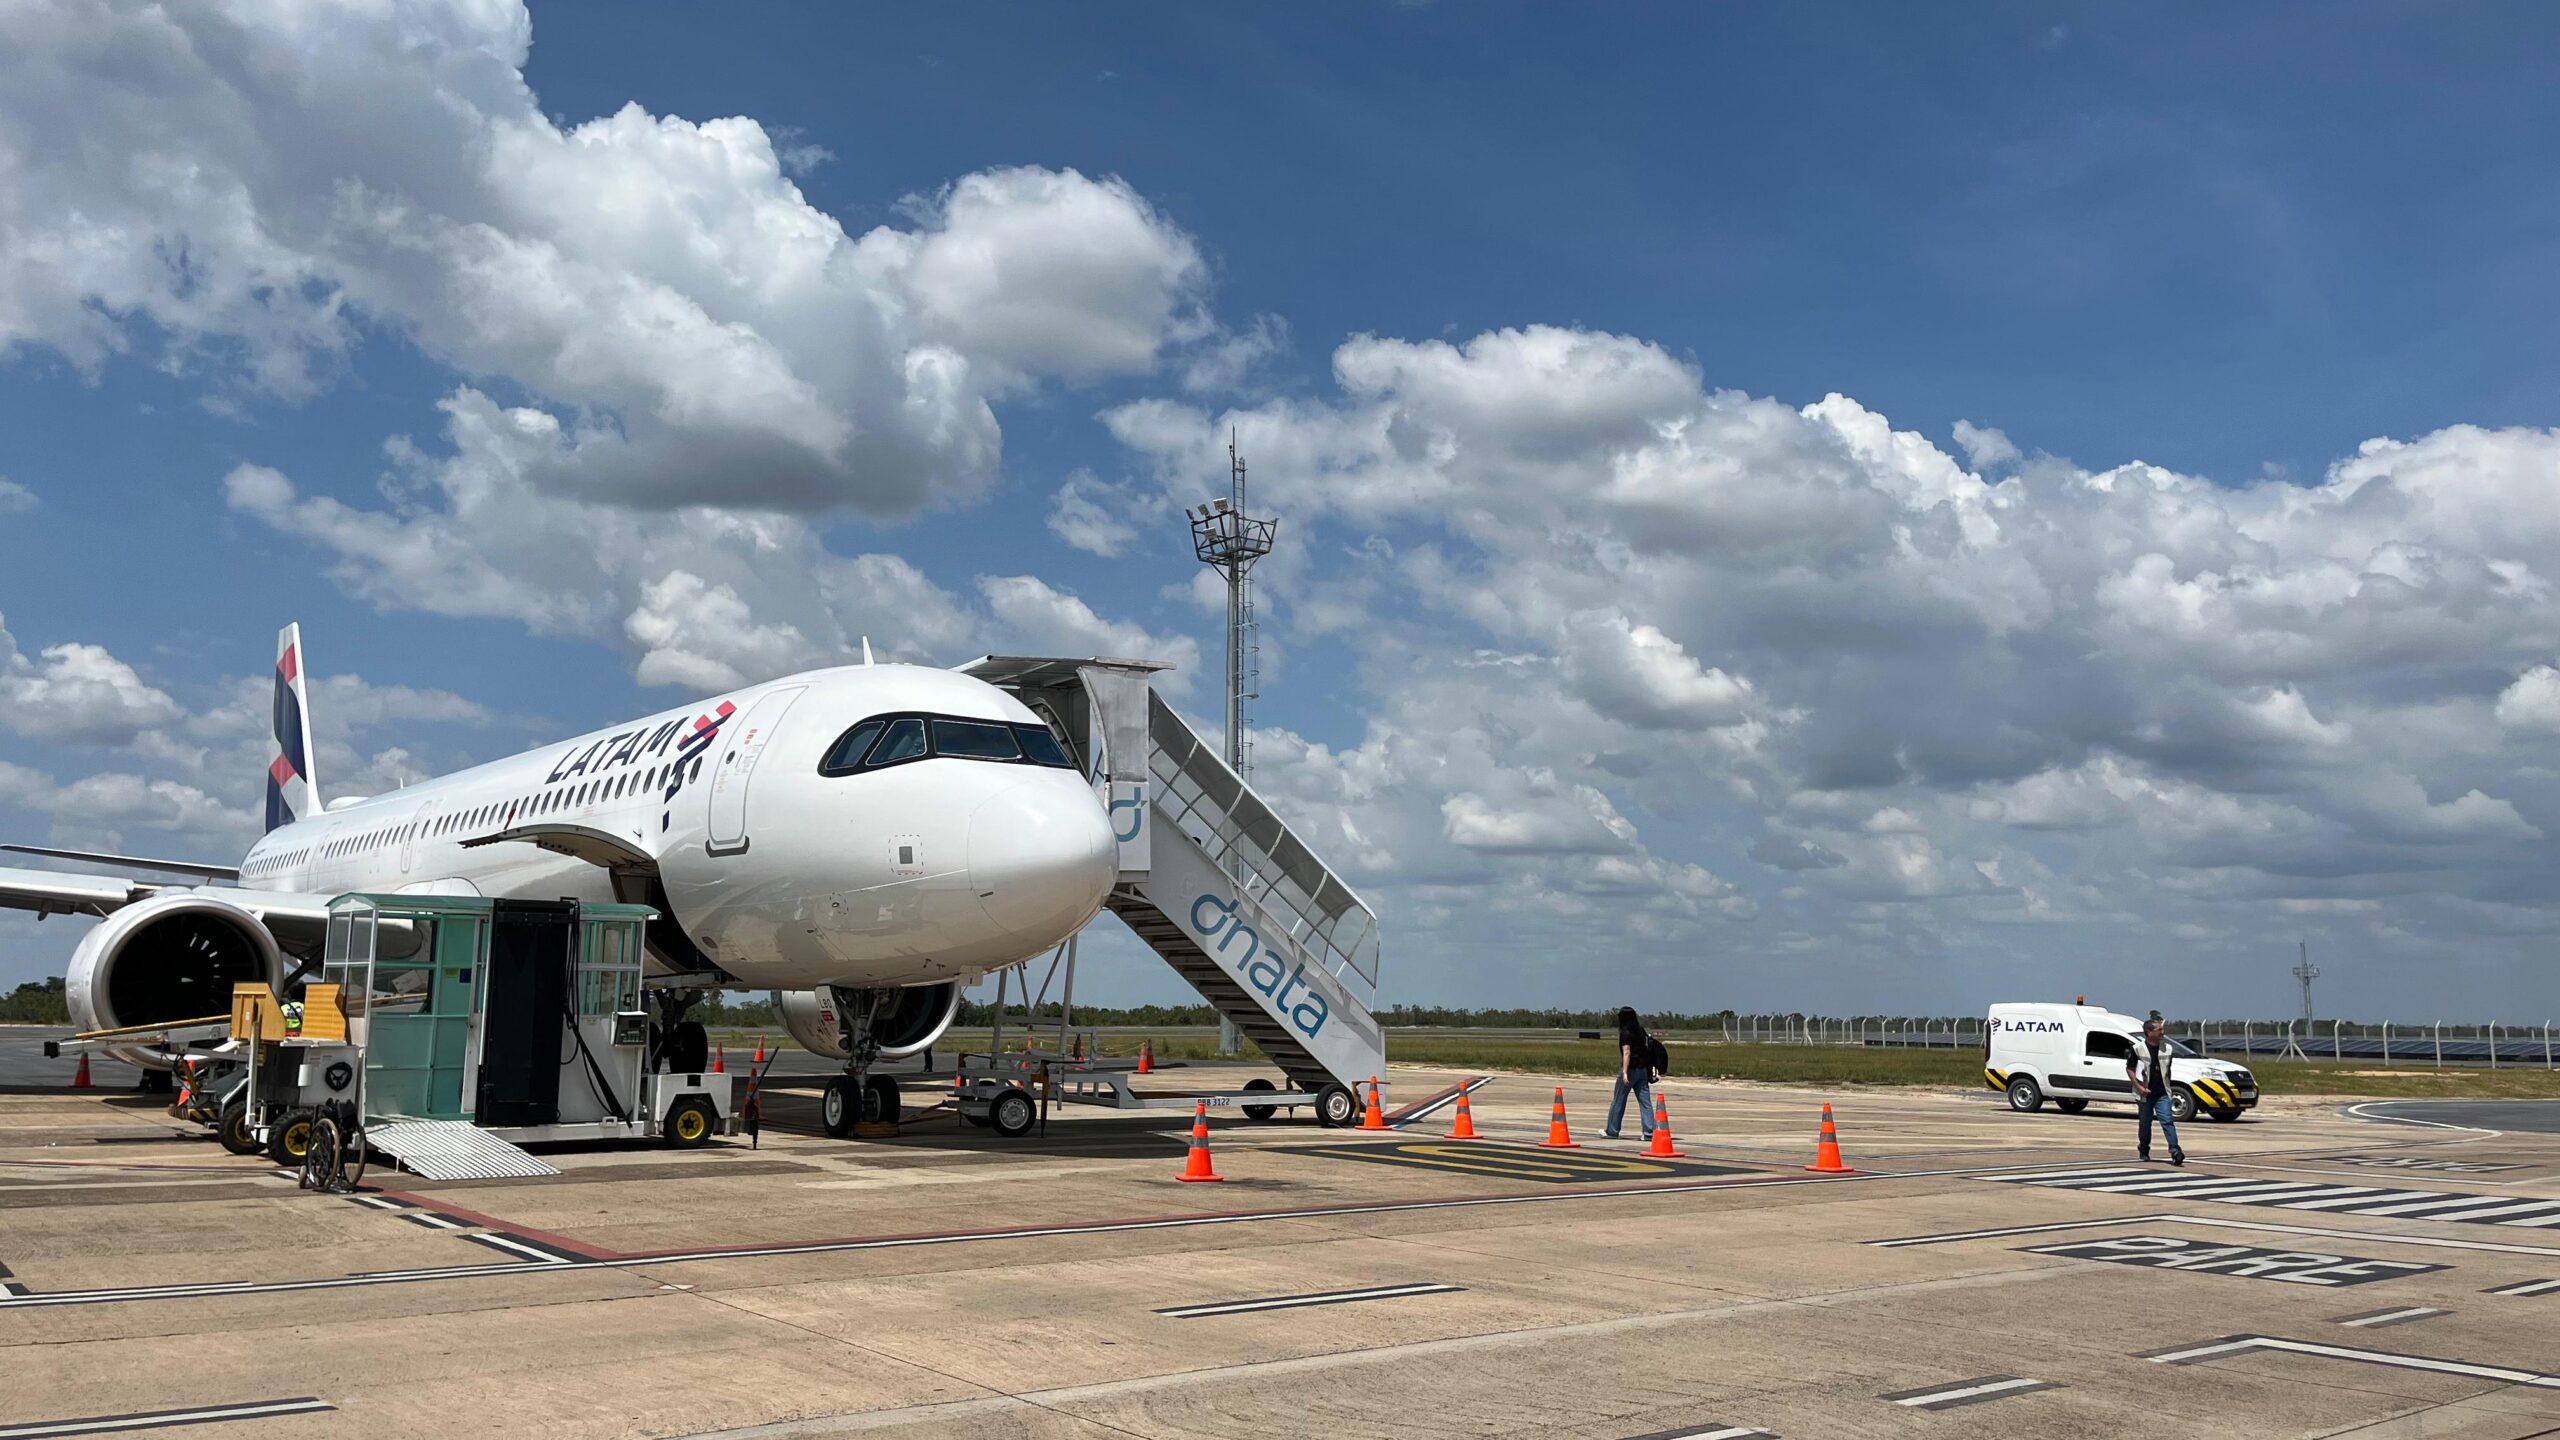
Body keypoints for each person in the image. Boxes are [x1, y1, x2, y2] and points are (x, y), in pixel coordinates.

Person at [2128, 1011, 2185, 1166]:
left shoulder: (2168, 1049)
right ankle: (2144, 1150)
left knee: (2167, 1121)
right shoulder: (2137, 1049)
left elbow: (2168, 1071)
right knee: (2145, 1124)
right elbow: (2130, 1069)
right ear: (2149, 1032)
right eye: (2159, 1030)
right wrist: (2139, 1087)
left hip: (2162, 1093)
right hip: (2145, 1094)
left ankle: (2175, 1151)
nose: (2162, 1033)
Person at [1603, 1006, 1657, 1141]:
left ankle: (1612, 1130)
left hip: (1631, 1069)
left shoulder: (1625, 1033)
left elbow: (1627, 1052)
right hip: (1642, 1070)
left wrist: (1625, 1073)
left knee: (1618, 1100)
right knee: (1646, 1102)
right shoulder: (1641, 1031)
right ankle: (1649, 1132)